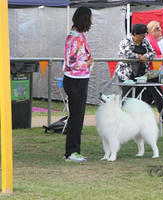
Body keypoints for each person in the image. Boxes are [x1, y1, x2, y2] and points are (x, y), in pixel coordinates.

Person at [116, 23, 163, 121]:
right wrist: (139, 57)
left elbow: (152, 53)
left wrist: (147, 56)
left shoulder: (145, 42)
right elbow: (127, 54)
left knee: (156, 85)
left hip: (143, 73)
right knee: (127, 95)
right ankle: (123, 119)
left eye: (144, 35)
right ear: (135, 34)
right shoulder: (125, 42)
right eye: (141, 35)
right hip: (126, 74)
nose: (143, 38)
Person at [63, 7, 93, 162]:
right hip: (76, 80)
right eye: (90, 18)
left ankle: (73, 150)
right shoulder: (76, 37)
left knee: (77, 116)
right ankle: (72, 152)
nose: (92, 21)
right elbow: (71, 62)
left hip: (78, 79)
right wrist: (87, 64)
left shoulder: (77, 35)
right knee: (76, 117)